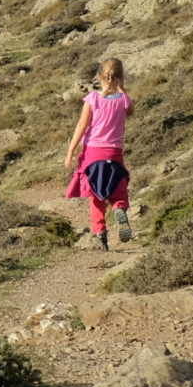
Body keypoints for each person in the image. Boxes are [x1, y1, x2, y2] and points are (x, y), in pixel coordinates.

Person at [64, 57, 133, 250]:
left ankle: (100, 233)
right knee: (118, 189)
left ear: (100, 76)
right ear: (120, 78)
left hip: (92, 153)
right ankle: (119, 208)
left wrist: (70, 151)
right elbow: (131, 111)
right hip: (114, 153)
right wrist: (122, 89)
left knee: (96, 194)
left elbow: (82, 125)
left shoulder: (93, 99)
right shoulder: (124, 100)